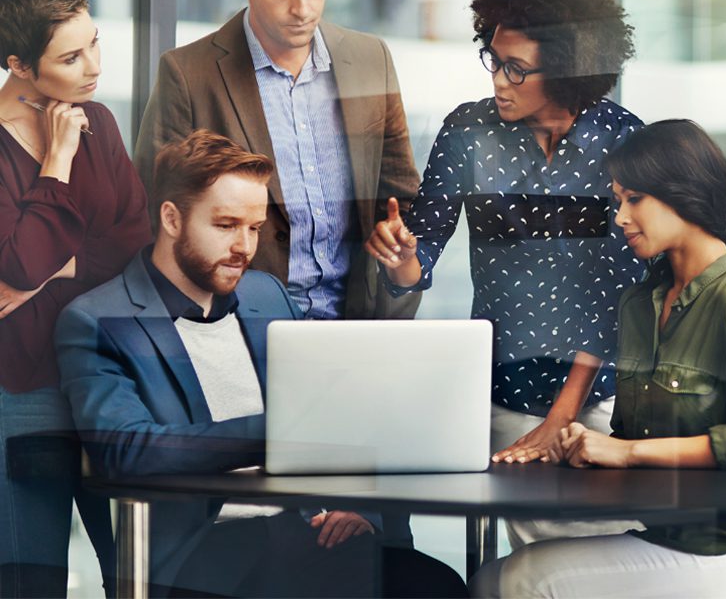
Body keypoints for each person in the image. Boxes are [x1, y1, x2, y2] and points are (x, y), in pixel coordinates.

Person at [55, 130, 465, 598]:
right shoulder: (97, 319)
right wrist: (279, 434)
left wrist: (356, 507)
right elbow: (125, 450)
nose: (244, 247)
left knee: (436, 585)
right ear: (171, 218)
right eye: (226, 225)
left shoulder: (265, 294)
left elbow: (331, 414)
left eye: (253, 228)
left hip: (303, 531)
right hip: (201, 555)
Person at [365, 0, 643, 545]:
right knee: (532, 547)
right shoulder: (468, 132)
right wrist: (401, 258)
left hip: (597, 400)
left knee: (591, 551)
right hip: (499, 394)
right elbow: (424, 252)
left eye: (517, 69)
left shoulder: (623, 143)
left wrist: (559, 421)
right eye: (493, 60)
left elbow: (618, 296)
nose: (497, 81)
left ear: (568, 71)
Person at [471, 119, 726, 598]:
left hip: (722, 550)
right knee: (489, 579)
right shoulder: (639, 304)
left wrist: (625, 452)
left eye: (635, 200)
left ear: (683, 194)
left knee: (521, 580)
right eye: (617, 201)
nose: (620, 217)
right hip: (656, 533)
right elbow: (630, 436)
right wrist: (585, 446)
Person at [133, 0, 421, 324]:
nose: (302, 9)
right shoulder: (188, 75)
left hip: (355, 329)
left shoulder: (369, 60)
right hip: (237, 332)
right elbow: (154, 220)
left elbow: (401, 200)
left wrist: (400, 254)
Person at [0, 0, 151, 597]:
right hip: (22, 389)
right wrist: (57, 161)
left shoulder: (103, 124)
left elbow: (134, 243)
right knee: (30, 580)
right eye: (70, 56)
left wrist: (53, 266)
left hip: (109, 379)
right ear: (19, 65)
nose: (92, 67)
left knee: (138, 572)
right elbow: (20, 266)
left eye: (94, 44)